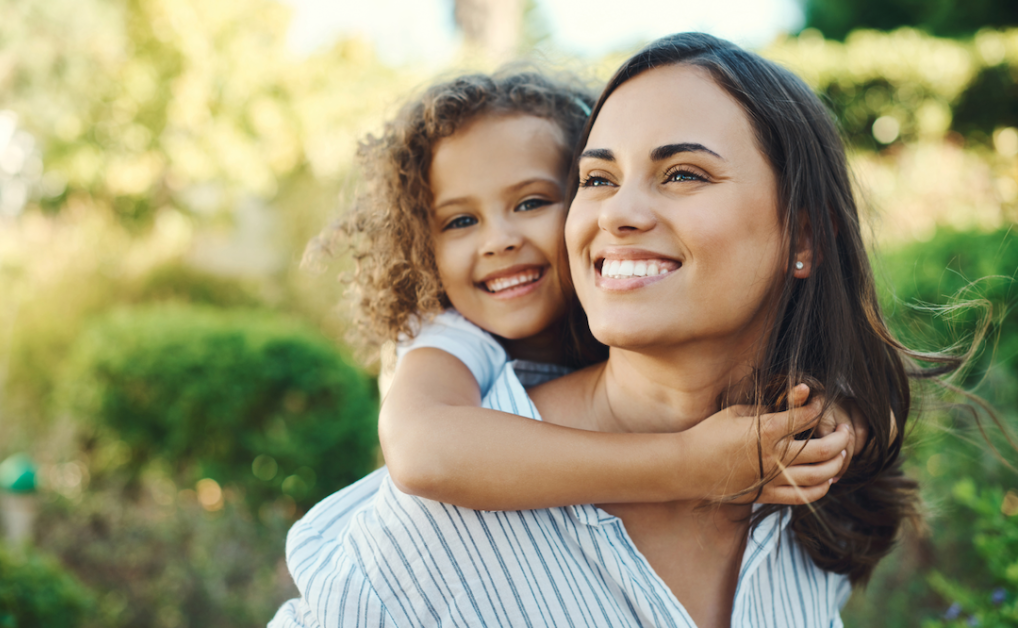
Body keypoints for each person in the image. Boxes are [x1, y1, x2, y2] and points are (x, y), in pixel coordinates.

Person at [271, 39, 907, 627]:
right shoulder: (436, 514)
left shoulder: (806, 484)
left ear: (805, 237)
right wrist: (690, 466)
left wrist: (839, 413)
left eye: (683, 173)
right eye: (599, 179)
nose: (618, 213)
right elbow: (422, 448)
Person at [315, 70, 859, 515]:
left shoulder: (628, 314)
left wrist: (826, 424)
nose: (499, 241)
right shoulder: (451, 339)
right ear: (420, 246)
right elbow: (422, 452)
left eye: (530, 204)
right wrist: (688, 465)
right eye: (459, 221)